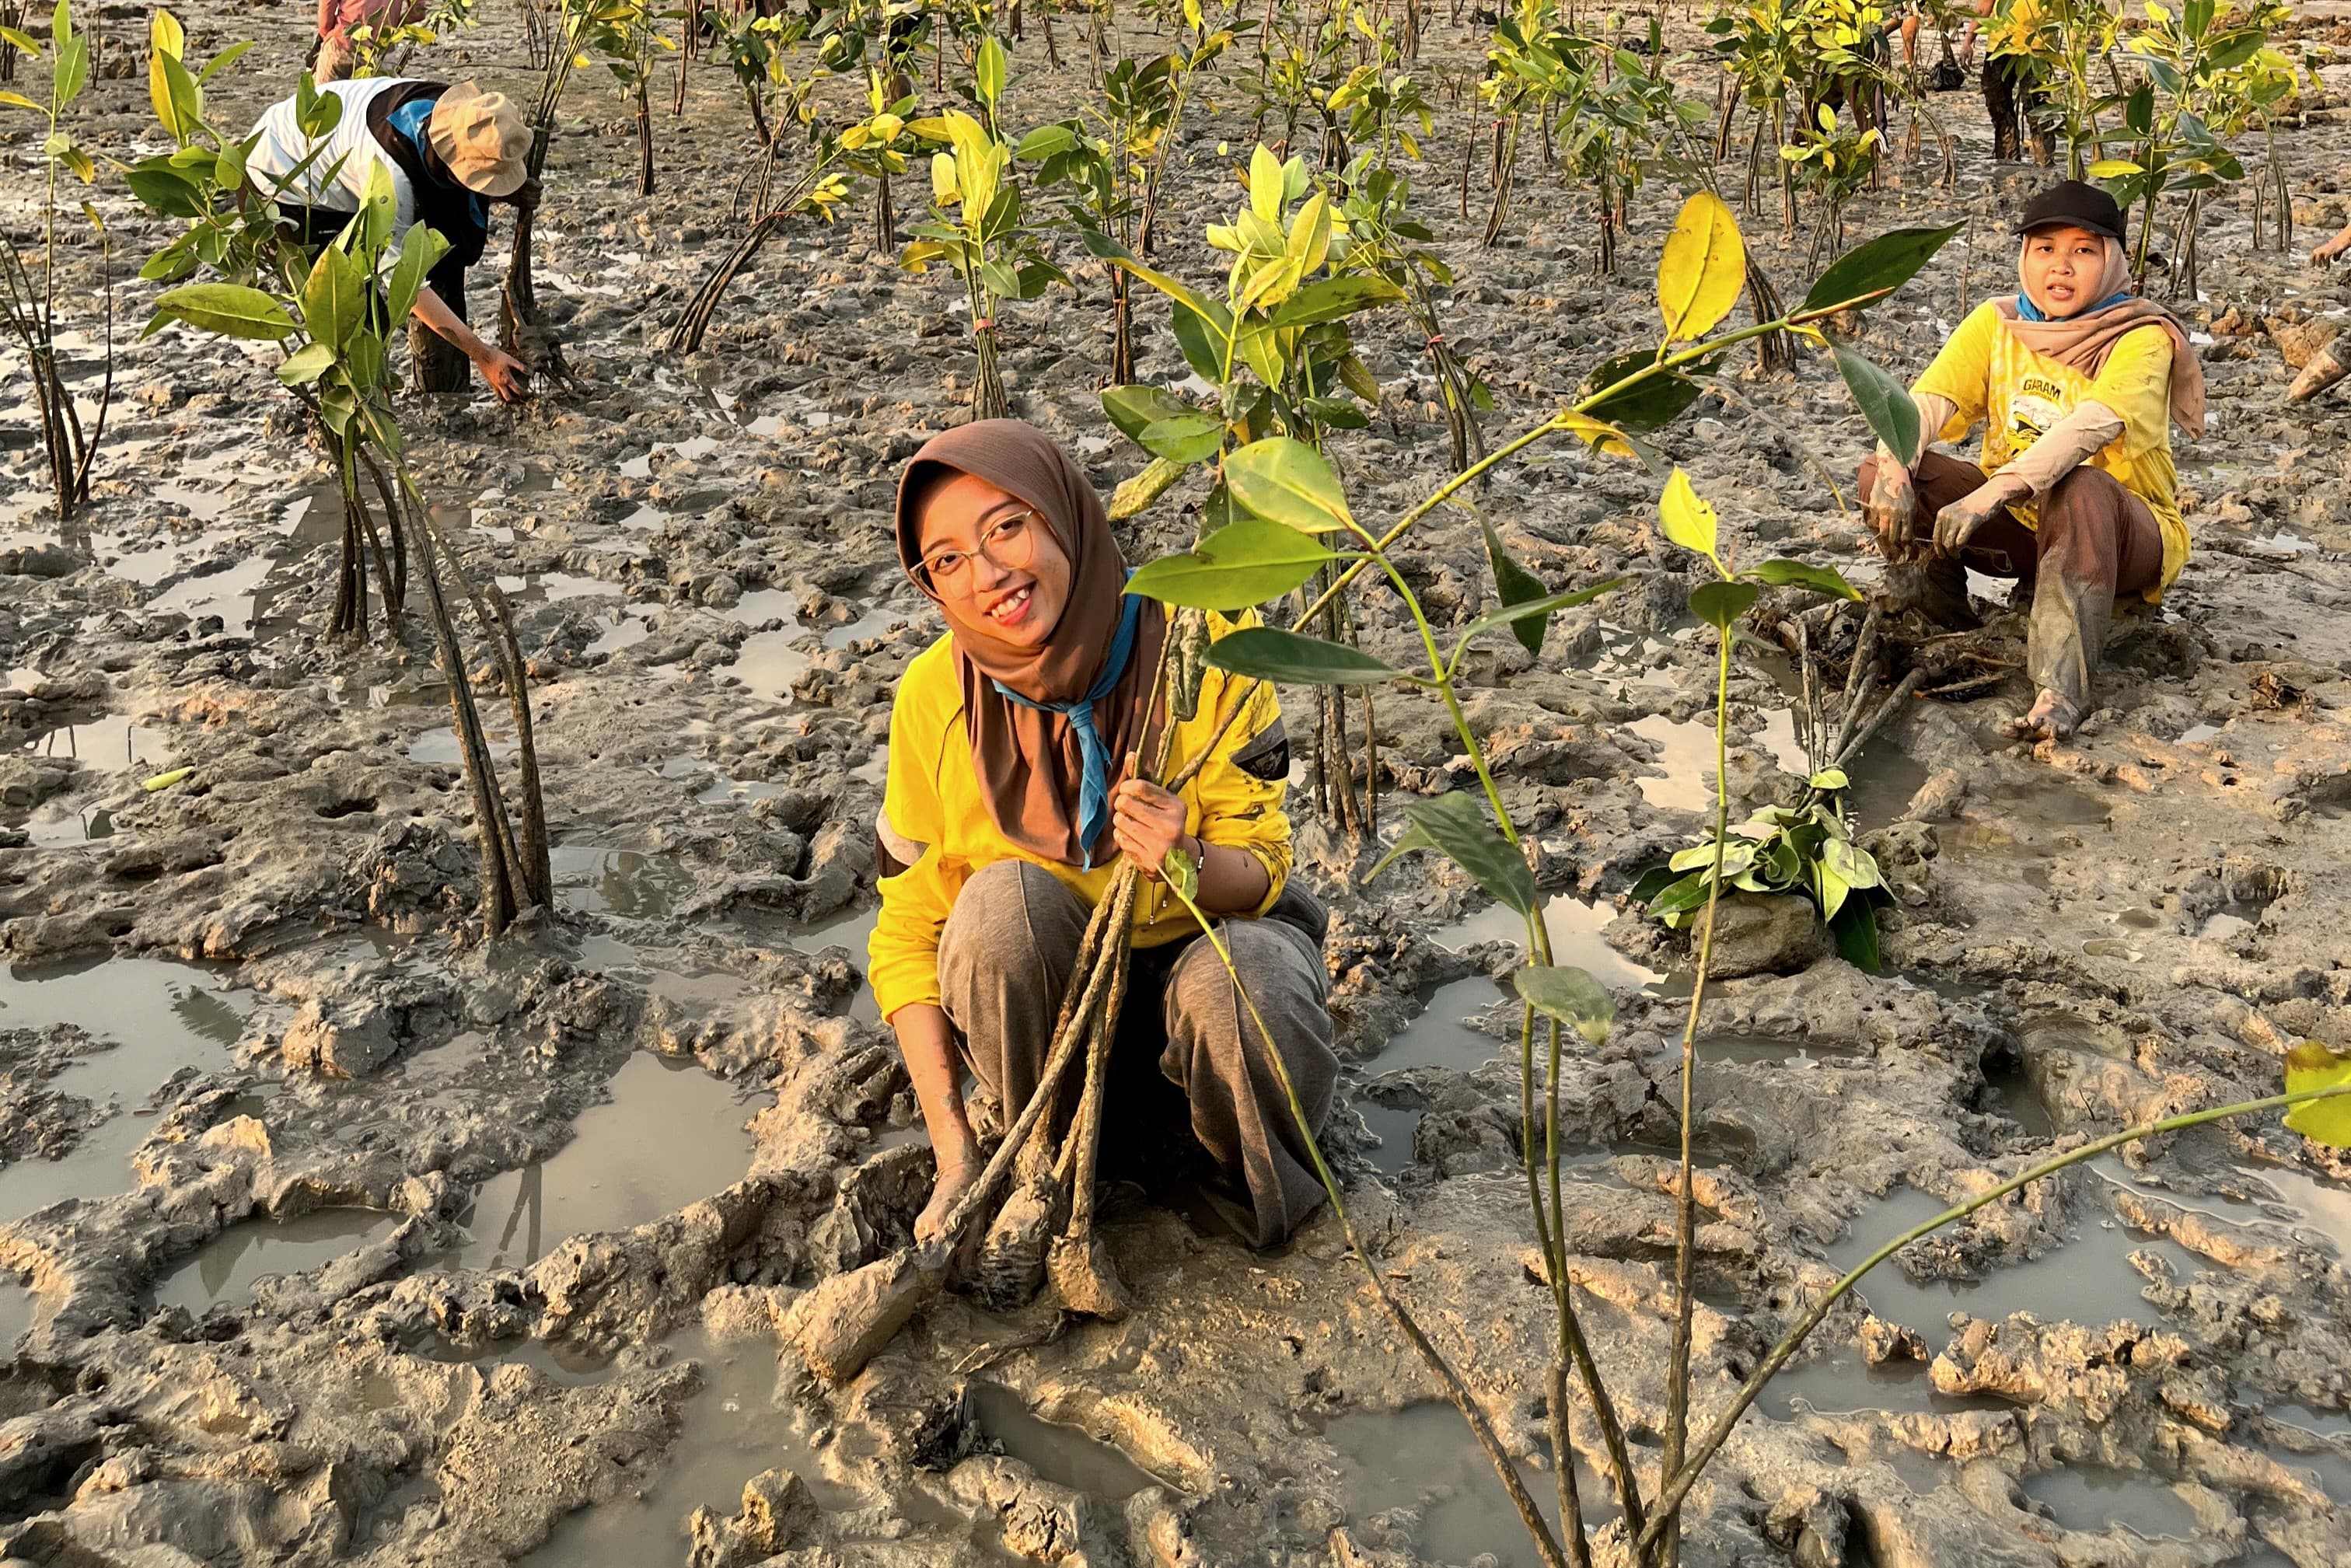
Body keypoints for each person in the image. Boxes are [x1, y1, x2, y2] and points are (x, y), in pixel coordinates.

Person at [870, 420, 1339, 1251]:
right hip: (1055, 1040)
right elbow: (908, 936)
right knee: (1000, 909)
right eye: (947, 562)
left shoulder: (1204, 645)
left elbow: (1266, 872)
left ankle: (1257, 1196)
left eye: (1006, 526)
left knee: (1247, 976)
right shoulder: (934, 698)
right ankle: (1043, 1168)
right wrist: (953, 1154)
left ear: (1064, 513)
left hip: (1200, 987)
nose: (989, 577)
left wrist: (1186, 858)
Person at [1860, 180, 2207, 742]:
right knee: (1885, 472)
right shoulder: (1997, 323)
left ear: (2113, 260)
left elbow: (2088, 427)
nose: (2061, 267)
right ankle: (1938, 615)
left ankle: (2061, 690)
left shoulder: (2143, 338)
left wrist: (1990, 492)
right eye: (2045, 249)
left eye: (2083, 251)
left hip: (2118, 539)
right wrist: (1895, 464)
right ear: (2025, 256)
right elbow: (1924, 403)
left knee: (2080, 486)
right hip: (2021, 533)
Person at [245, 78, 535, 403]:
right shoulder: (391, 178)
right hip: (282, 183)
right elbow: (407, 287)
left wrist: (509, 188)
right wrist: (483, 354)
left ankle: (447, 400)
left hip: (344, 163)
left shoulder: (464, 115)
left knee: (442, 256)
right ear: (453, 166)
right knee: (356, 319)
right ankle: (357, 417)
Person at [312, 0, 425, 86]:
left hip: (344, 45)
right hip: (383, 51)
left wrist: (326, 38)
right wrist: (391, 28)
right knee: (377, 112)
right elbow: (418, 12)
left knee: (323, 106)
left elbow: (325, 22)